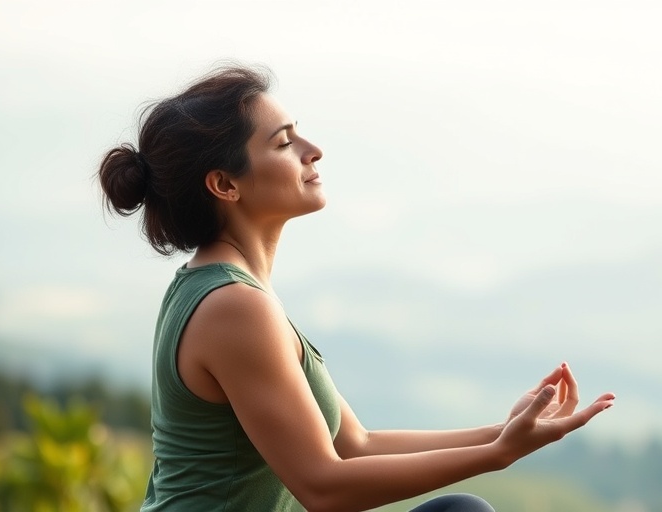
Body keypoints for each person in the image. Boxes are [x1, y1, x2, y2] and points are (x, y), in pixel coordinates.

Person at [96, 64, 615, 512]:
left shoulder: (224, 290)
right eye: (283, 142)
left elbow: (354, 445)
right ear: (225, 185)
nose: (313, 150)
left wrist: (504, 433)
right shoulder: (233, 306)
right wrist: (499, 455)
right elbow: (324, 487)